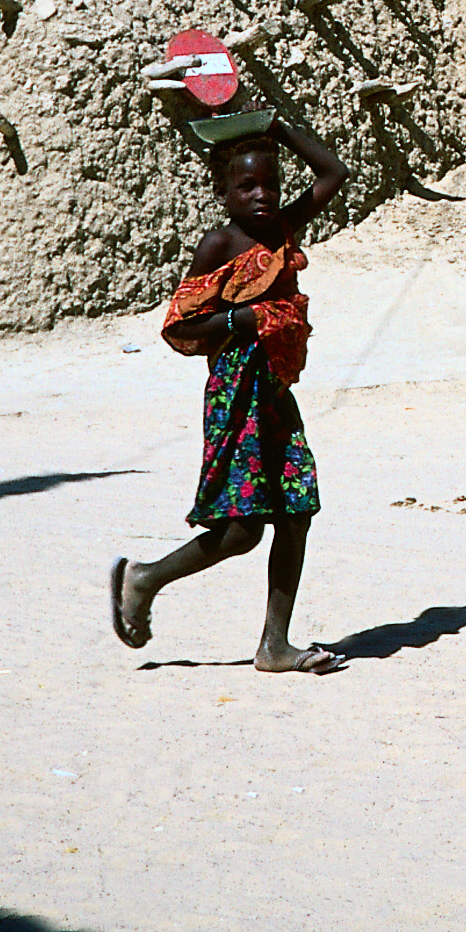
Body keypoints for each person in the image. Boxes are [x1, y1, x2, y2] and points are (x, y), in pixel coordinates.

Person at [110, 113, 350, 673]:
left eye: (271, 182)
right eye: (247, 186)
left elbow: (335, 172)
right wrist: (237, 321)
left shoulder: (283, 231)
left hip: (273, 394)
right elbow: (179, 326)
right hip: (234, 395)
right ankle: (144, 579)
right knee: (241, 531)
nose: (262, 195)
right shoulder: (219, 245)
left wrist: (280, 125)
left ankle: (275, 646)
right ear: (223, 192)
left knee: (296, 512)